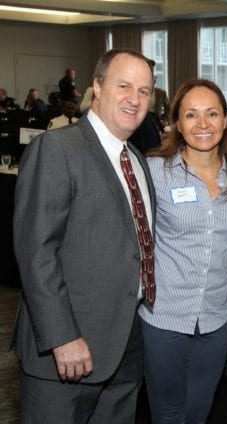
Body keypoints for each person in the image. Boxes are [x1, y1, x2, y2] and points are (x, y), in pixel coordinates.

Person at [12, 48, 155, 423]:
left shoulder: (136, 160)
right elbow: (36, 252)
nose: (134, 99)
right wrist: (61, 337)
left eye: (144, 91)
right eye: (124, 86)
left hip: (125, 347)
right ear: (97, 86)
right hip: (67, 352)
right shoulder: (56, 148)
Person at [138, 78, 227, 423]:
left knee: (200, 410)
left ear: (225, 120)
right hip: (164, 317)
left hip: (215, 320)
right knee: (168, 413)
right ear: (176, 123)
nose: (202, 124)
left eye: (212, 114)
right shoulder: (154, 170)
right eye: (191, 115)